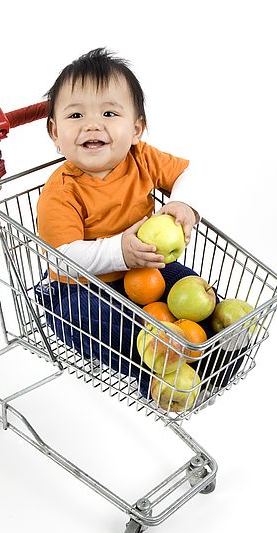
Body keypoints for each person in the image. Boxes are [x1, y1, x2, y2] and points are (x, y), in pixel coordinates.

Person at [36, 48, 201, 396]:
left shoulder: (142, 158)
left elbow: (188, 173)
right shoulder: (60, 191)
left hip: (143, 273)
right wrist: (120, 252)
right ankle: (153, 376)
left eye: (109, 113)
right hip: (79, 287)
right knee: (96, 322)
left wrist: (183, 201)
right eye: (76, 114)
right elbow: (62, 256)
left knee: (189, 287)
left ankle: (209, 347)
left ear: (136, 128)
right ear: (55, 132)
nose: (92, 124)